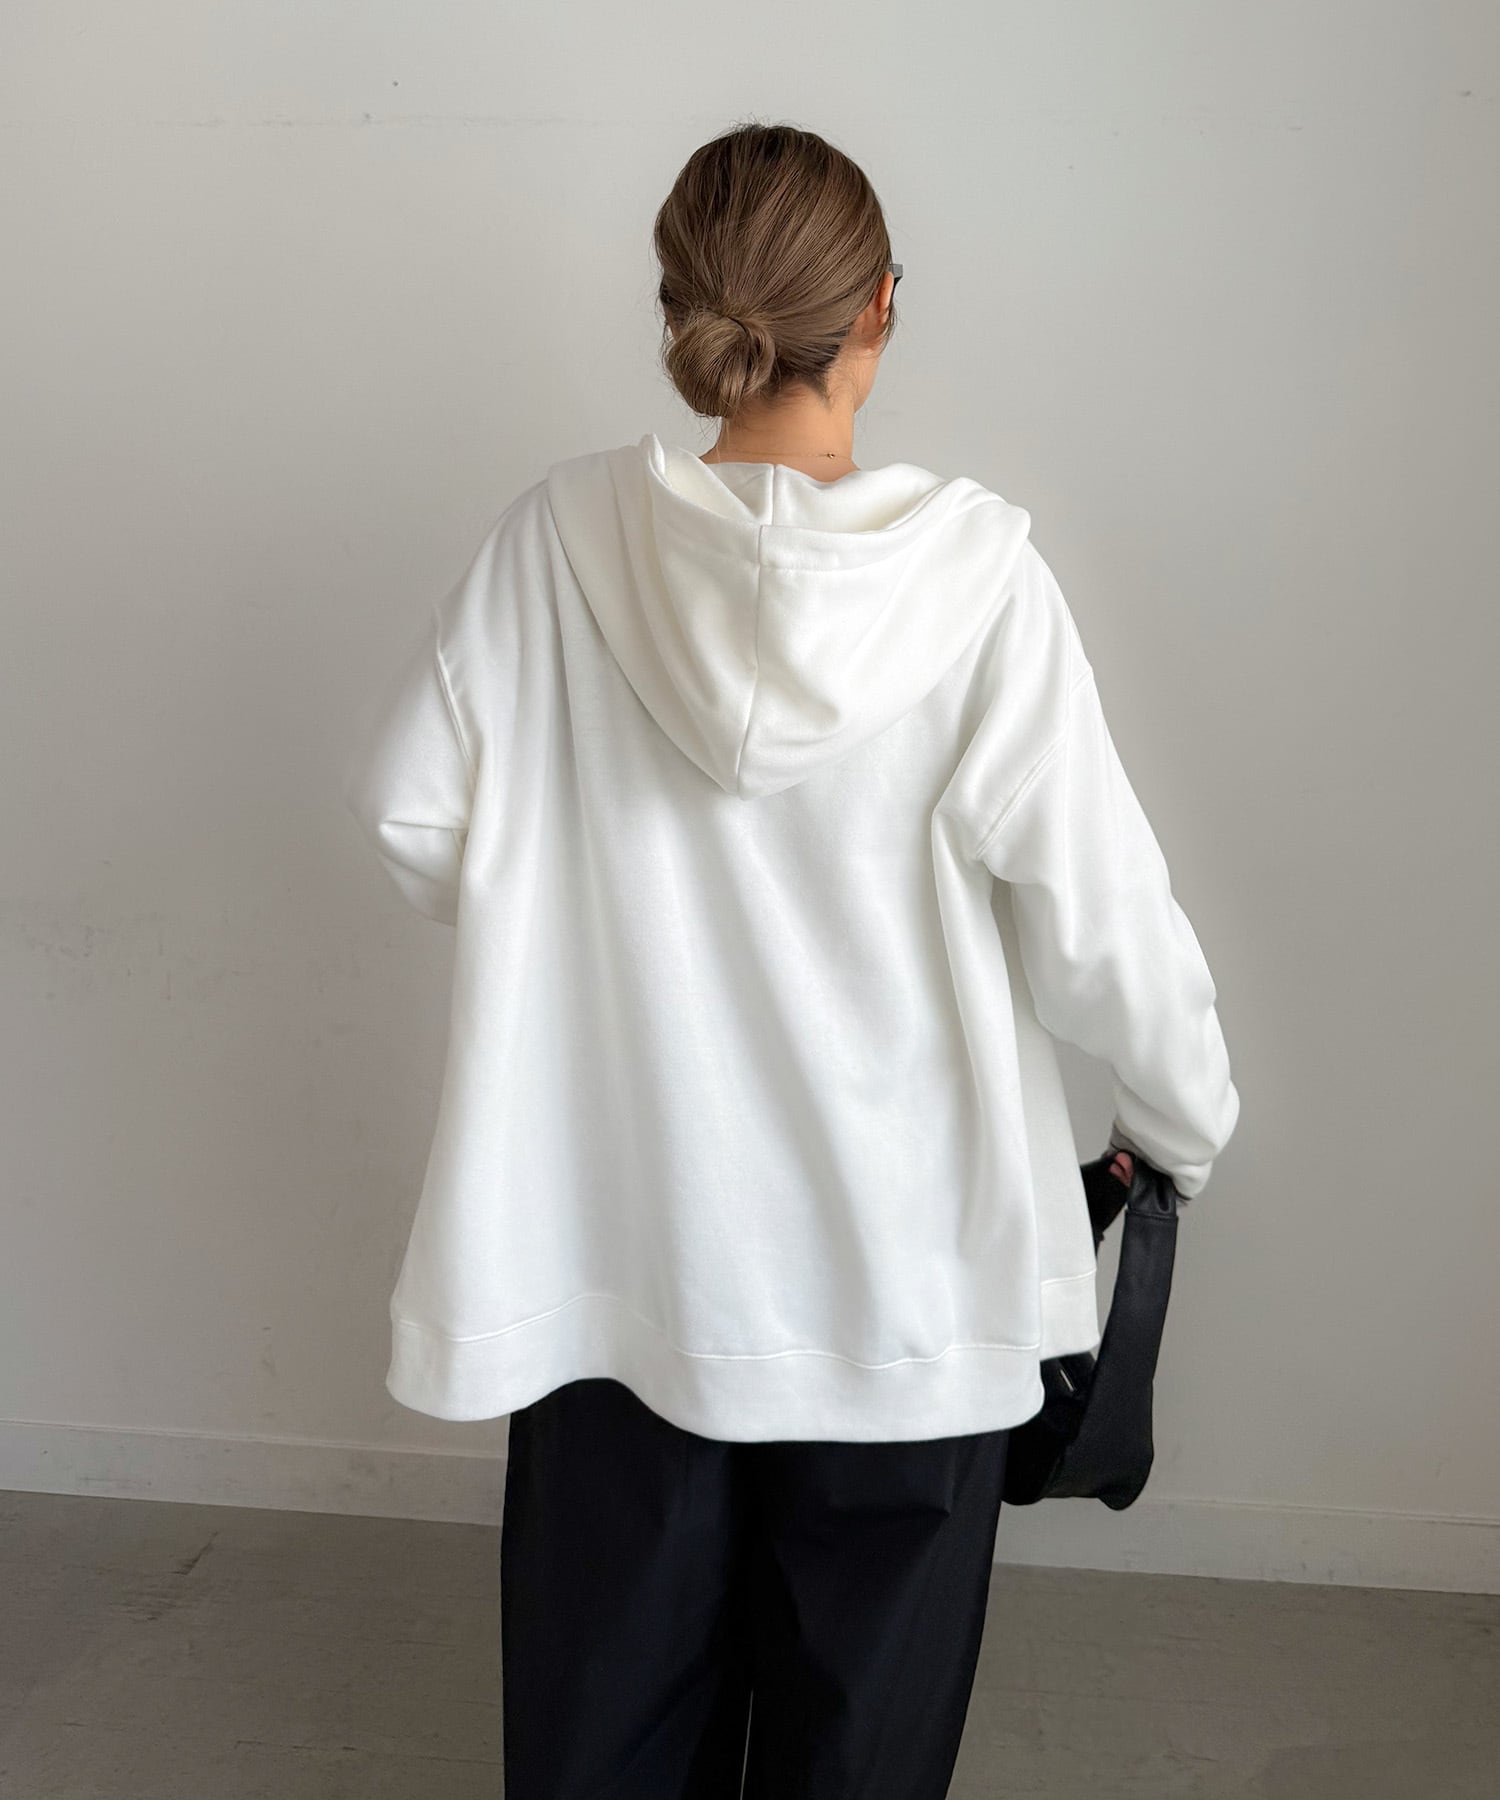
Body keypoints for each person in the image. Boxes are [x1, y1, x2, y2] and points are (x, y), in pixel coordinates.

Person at [344, 119, 1239, 1800]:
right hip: (914, 1296)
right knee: (861, 1761)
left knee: (605, 1745)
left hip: (620, 1273)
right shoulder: (979, 584)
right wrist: (1182, 1123)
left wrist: (572, 924)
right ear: (880, 307)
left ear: (680, 305)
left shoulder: (556, 543)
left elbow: (409, 815)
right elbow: (1102, 922)